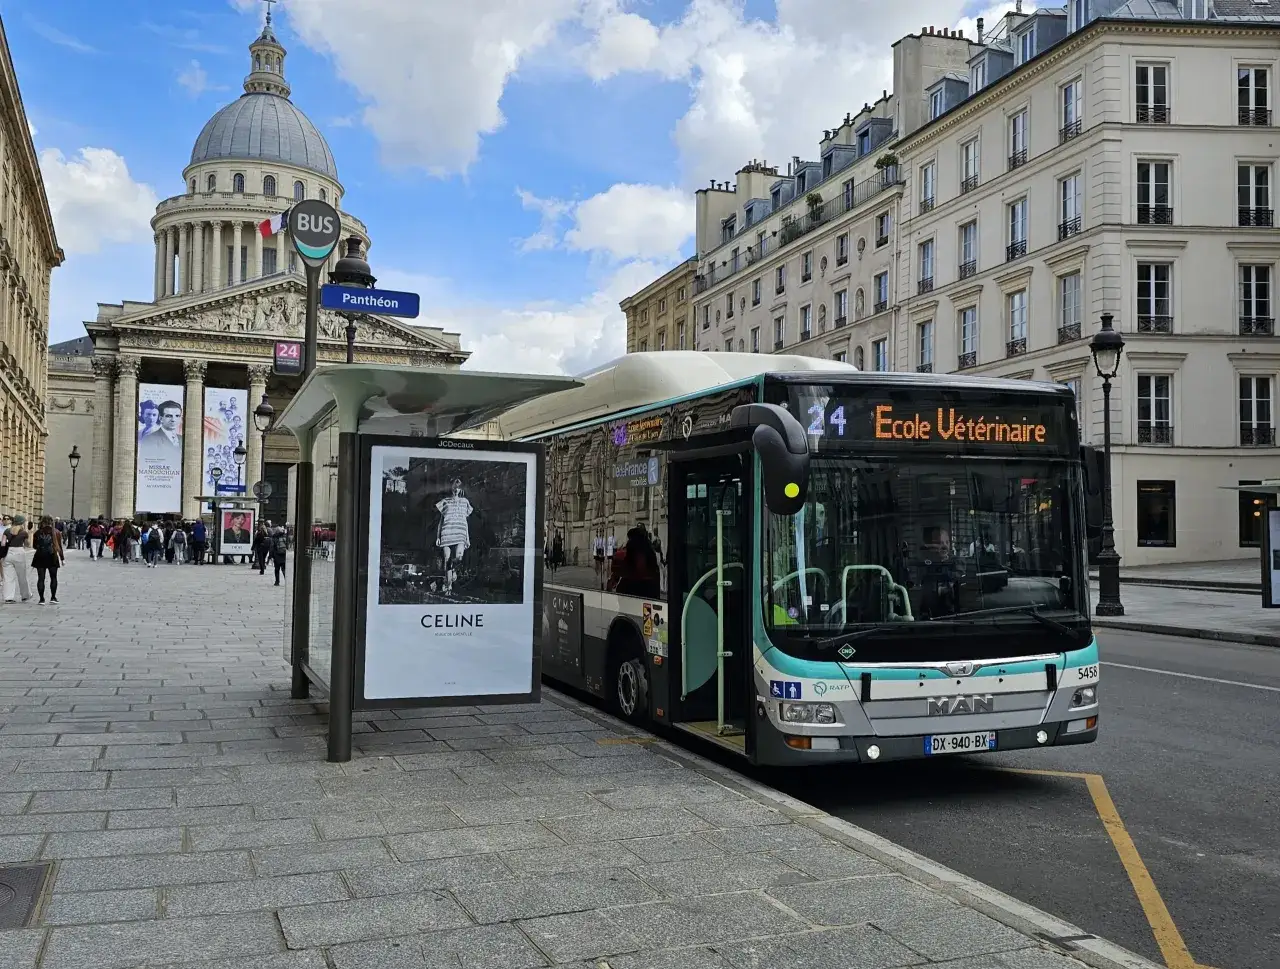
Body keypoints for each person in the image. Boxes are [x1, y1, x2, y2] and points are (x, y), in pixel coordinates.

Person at [435, 478, 473, 596]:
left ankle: (454, 570)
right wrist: (438, 537)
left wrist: (467, 537)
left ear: (461, 489)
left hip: (460, 533)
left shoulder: (465, 502)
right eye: (455, 487)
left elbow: (465, 521)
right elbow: (441, 522)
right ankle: (448, 586)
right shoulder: (445, 502)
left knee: (458, 557)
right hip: (446, 533)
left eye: (459, 487)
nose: (456, 489)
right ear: (451, 488)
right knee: (447, 559)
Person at [31, 516, 65, 604]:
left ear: (42, 522)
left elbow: (34, 546)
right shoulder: (56, 532)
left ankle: (41, 599)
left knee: (41, 578)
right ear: (52, 522)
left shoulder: (37, 532)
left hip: (40, 557)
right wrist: (62, 558)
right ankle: (53, 597)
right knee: (53, 578)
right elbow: (59, 547)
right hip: (52, 556)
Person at [2, 514, 33, 603]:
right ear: (21, 523)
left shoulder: (7, 531)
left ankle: (8, 597)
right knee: (22, 576)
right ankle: (25, 595)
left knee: (8, 577)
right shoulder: (23, 532)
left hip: (8, 553)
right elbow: (28, 544)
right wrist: (30, 533)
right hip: (19, 553)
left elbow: (3, 544)